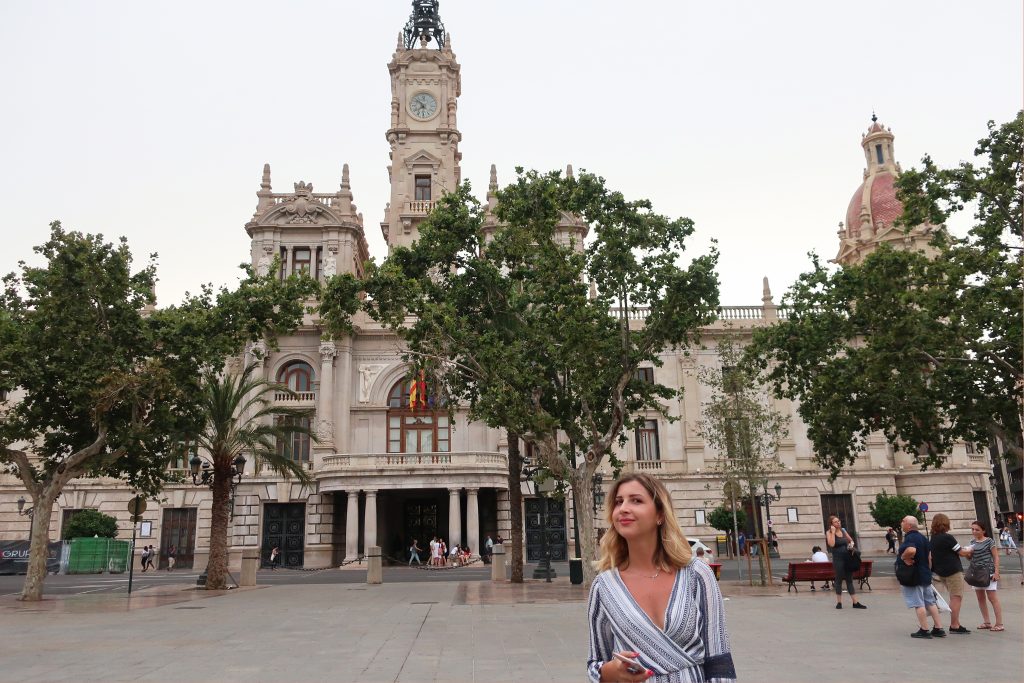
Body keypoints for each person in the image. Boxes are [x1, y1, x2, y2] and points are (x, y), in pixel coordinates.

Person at [586, 473, 735, 683]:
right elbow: (595, 664)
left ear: (660, 515)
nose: (623, 508)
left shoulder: (696, 574)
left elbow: (719, 659)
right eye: (619, 502)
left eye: (636, 500)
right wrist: (611, 672)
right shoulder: (604, 587)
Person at [898, 515, 944, 638]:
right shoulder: (922, 537)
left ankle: (924, 629)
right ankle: (939, 627)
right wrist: (928, 571)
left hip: (914, 575)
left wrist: (904, 557)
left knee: (919, 603)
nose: (901, 523)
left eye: (903, 521)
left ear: (908, 525)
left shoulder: (910, 537)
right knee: (930, 602)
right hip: (924, 574)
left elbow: (911, 550)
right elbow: (929, 557)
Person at [960, 520, 1003, 632]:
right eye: (973, 529)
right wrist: (968, 554)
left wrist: (997, 572)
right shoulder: (972, 542)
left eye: (977, 529)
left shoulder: (989, 541)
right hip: (976, 572)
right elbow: (970, 558)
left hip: (988, 572)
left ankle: (999, 623)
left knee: (992, 598)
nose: (974, 531)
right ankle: (987, 622)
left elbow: (996, 557)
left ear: (983, 530)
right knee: (980, 598)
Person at [928, 513, 969, 634]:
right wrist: (971, 550)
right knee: (956, 597)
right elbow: (961, 552)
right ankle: (955, 625)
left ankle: (955, 624)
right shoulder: (948, 537)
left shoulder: (933, 538)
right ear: (946, 524)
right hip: (953, 570)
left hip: (941, 572)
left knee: (953, 595)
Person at [825, 515, 865, 609]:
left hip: (847, 558)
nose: (838, 523)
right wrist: (833, 532)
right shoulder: (829, 532)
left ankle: (855, 602)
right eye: (835, 522)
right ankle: (839, 603)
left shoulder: (843, 530)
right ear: (831, 524)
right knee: (838, 580)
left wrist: (850, 546)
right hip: (838, 559)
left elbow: (851, 541)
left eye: (838, 521)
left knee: (849, 580)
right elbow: (831, 544)